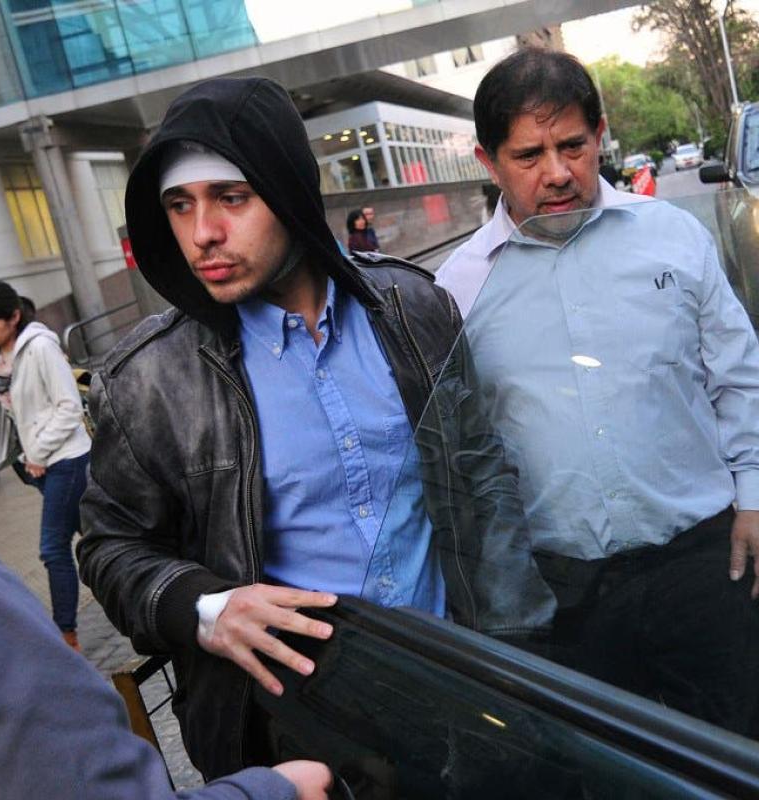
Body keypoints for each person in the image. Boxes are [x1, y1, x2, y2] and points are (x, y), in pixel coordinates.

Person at [77, 76, 551, 780]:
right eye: (180, 206)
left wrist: (520, 662)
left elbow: (482, 479)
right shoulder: (149, 381)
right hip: (298, 733)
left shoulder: (414, 310)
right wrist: (205, 606)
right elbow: (110, 546)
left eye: (230, 198)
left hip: (459, 693)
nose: (203, 233)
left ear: (288, 190)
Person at [434, 48, 759, 747]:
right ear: (488, 162)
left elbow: (741, 379)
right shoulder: (455, 290)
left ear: (600, 134)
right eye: (528, 155)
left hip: (703, 565)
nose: (557, 172)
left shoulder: (673, 238)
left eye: (572, 145)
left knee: (744, 758)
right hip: (561, 598)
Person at [0, 473, 331, 800]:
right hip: (277, 715)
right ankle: (66, 630)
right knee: (54, 546)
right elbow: (111, 545)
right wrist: (274, 792)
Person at [0, 280, 91, 652]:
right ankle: (131, 591)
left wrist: (38, 452)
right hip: (33, 466)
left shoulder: (40, 347)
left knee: (53, 548)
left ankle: (66, 636)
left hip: (66, 459)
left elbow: (69, 407)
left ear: (13, 316)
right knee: (96, 538)